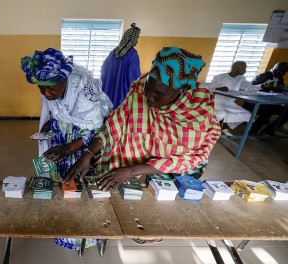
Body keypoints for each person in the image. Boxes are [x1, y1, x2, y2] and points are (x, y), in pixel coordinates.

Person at [65, 46, 221, 195]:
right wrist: (88, 153)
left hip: (178, 169)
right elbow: (115, 125)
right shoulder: (141, 87)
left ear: (181, 91)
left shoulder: (198, 113)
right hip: (143, 161)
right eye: (148, 88)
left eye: (158, 94)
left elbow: (185, 159)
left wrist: (133, 170)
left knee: (163, 196)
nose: (148, 97)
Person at [20, 48, 112, 251]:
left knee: (83, 186)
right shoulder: (51, 85)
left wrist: (70, 148)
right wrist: (50, 124)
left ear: (65, 79)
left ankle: (87, 233)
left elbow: (96, 128)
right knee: (62, 184)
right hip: (64, 137)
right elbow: (54, 108)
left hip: (87, 143)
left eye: (51, 88)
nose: (46, 93)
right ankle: (63, 227)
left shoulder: (84, 90)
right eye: (41, 88)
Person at [208, 61, 260, 134]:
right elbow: (209, 89)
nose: (245, 70)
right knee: (221, 113)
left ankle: (225, 128)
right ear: (236, 67)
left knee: (247, 114)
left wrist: (262, 86)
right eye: (244, 67)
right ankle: (207, 129)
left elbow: (249, 87)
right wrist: (219, 88)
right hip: (216, 103)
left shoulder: (241, 78)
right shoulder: (220, 77)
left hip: (230, 103)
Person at [101, 23, 141, 109]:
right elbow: (134, 78)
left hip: (107, 91)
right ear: (132, 39)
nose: (136, 41)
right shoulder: (132, 54)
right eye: (136, 38)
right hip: (122, 94)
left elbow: (103, 70)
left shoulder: (114, 52)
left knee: (106, 113)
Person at [243, 62, 288, 135]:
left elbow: (279, 89)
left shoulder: (280, 78)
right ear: (276, 69)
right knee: (269, 110)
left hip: (269, 102)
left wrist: (282, 89)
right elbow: (252, 90)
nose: (283, 74)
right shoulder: (262, 76)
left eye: (285, 72)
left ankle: (269, 130)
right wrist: (273, 87)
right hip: (253, 102)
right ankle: (253, 131)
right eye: (282, 72)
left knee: (286, 110)